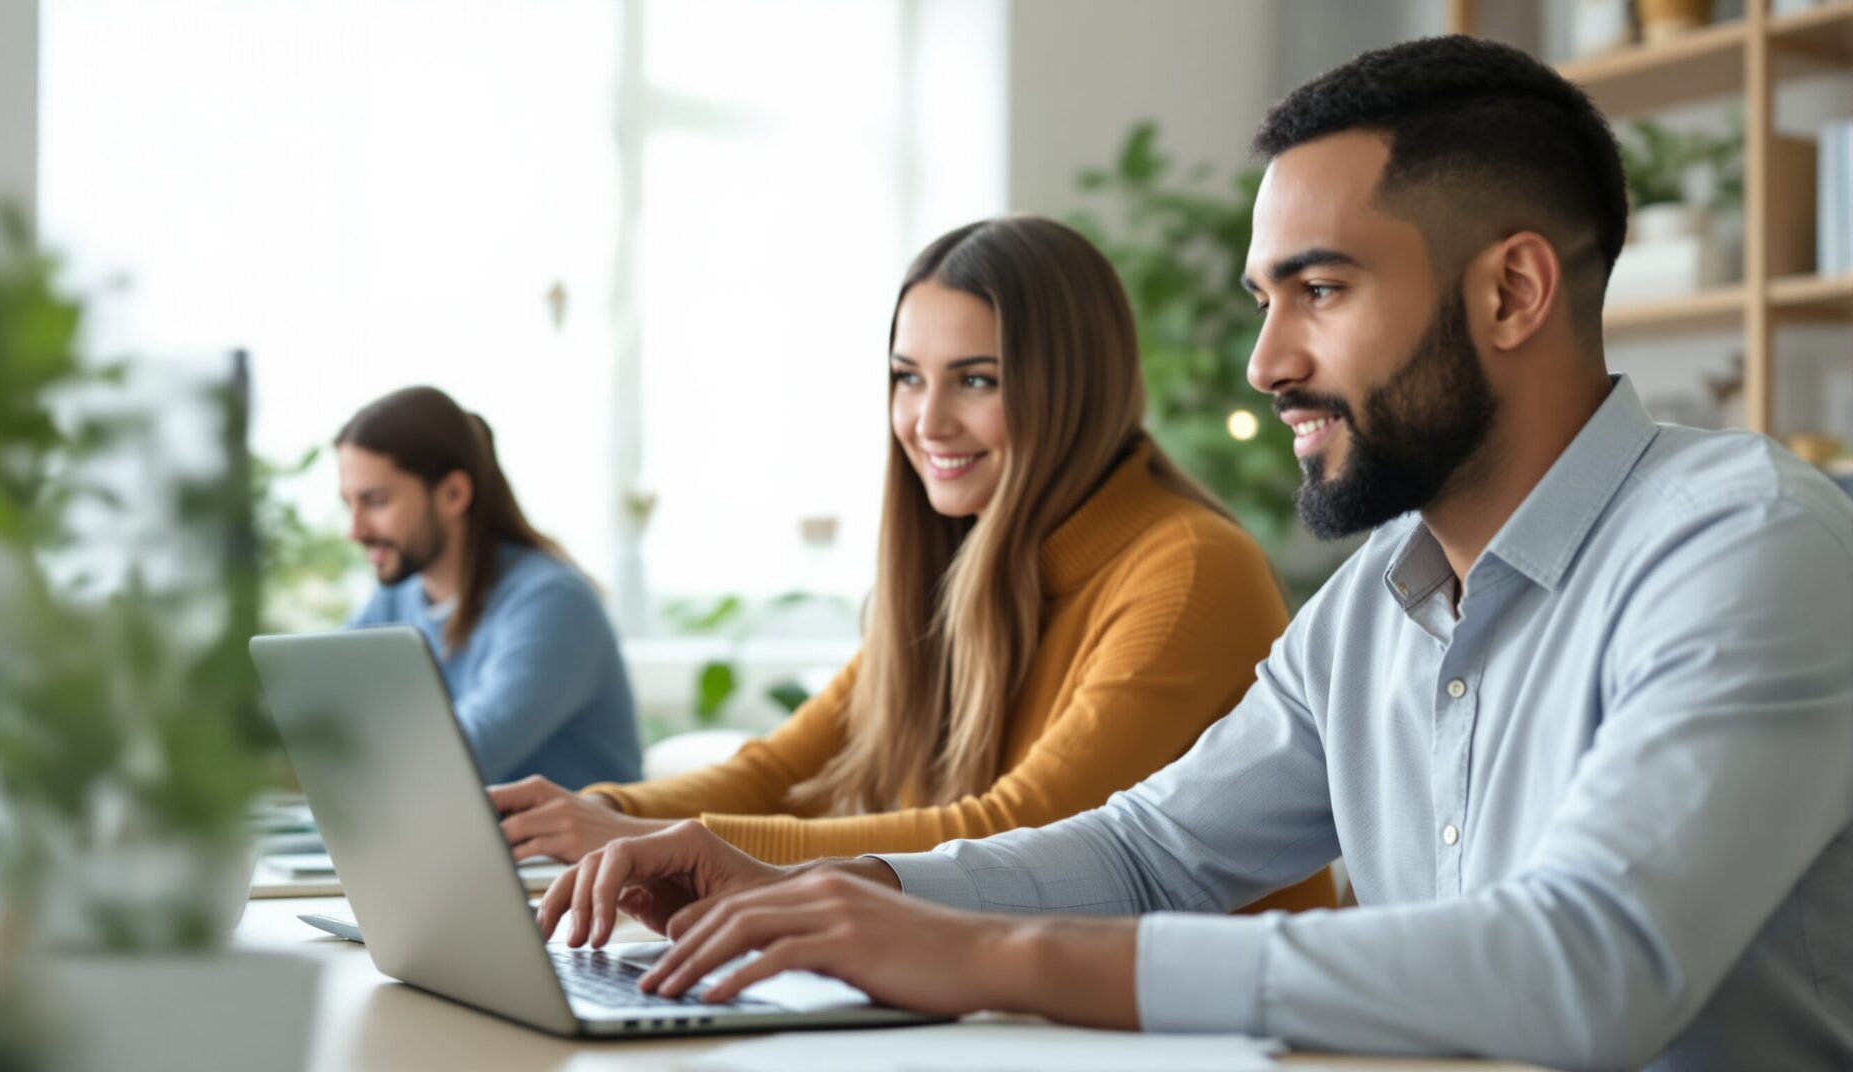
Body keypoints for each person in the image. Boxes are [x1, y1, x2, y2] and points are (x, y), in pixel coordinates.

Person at [540, 37, 1853, 1072]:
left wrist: (993, 956)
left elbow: (1592, 966)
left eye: (1321, 292)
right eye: (1264, 299)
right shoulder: (1365, 614)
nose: (1265, 363)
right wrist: (819, 882)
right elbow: (1148, 853)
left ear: (1510, 293)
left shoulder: (1749, 546)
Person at [493, 217, 1335, 914]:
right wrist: (598, 814)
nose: (927, 421)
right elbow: (785, 773)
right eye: (906, 378)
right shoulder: (966, 562)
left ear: (1072, 390)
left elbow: (1018, 834)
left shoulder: (1188, 569)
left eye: (974, 380)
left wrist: (654, 845)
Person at [339, 386, 641, 789]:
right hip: (457, 843)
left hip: (570, 853)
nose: (354, 530)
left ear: (453, 494)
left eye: (375, 502)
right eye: (348, 504)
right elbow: (322, 713)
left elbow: (459, 759)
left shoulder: (553, 602)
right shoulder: (396, 598)